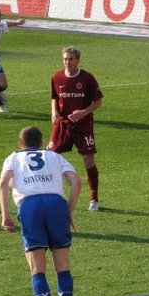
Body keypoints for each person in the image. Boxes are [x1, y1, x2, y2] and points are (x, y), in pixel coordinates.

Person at [0, 126, 81, 296]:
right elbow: (76, 181)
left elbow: (3, 183)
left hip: (30, 206)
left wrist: (5, 215)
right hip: (56, 205)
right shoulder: (55, 156)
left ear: (20, 144)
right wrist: (69, 211)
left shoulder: (13, 158)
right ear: (42, 142)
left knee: (37, 268)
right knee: (63, 265)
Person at [48, 46, 103, 212]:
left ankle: (94, 199)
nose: (67, 62)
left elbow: (98, 102)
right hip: (63, 124)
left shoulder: (87, 78)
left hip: (83, 125)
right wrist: (54, 112)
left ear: (78, 60)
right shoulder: (56, 77)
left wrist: (83, 113)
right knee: (49, 157)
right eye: (65, 59)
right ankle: (52, 194)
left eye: (71, 59)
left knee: (88, 160)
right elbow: (54, 97)